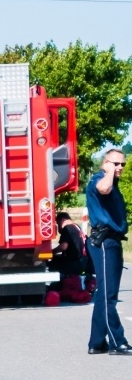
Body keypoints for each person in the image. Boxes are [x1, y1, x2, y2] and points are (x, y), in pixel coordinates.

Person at [85, 148, 131, 355]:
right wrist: (109, 171)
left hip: (112, 240)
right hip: (104, 241)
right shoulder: (100, 178)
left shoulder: (113, 181)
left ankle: (96, 342)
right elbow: (103, 188)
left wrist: (112, 171)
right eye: (115, 163)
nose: (119, 167)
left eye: (122, 164)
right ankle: (117, 341)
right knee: (108, 296)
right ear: (105, 163)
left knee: (105, 293)